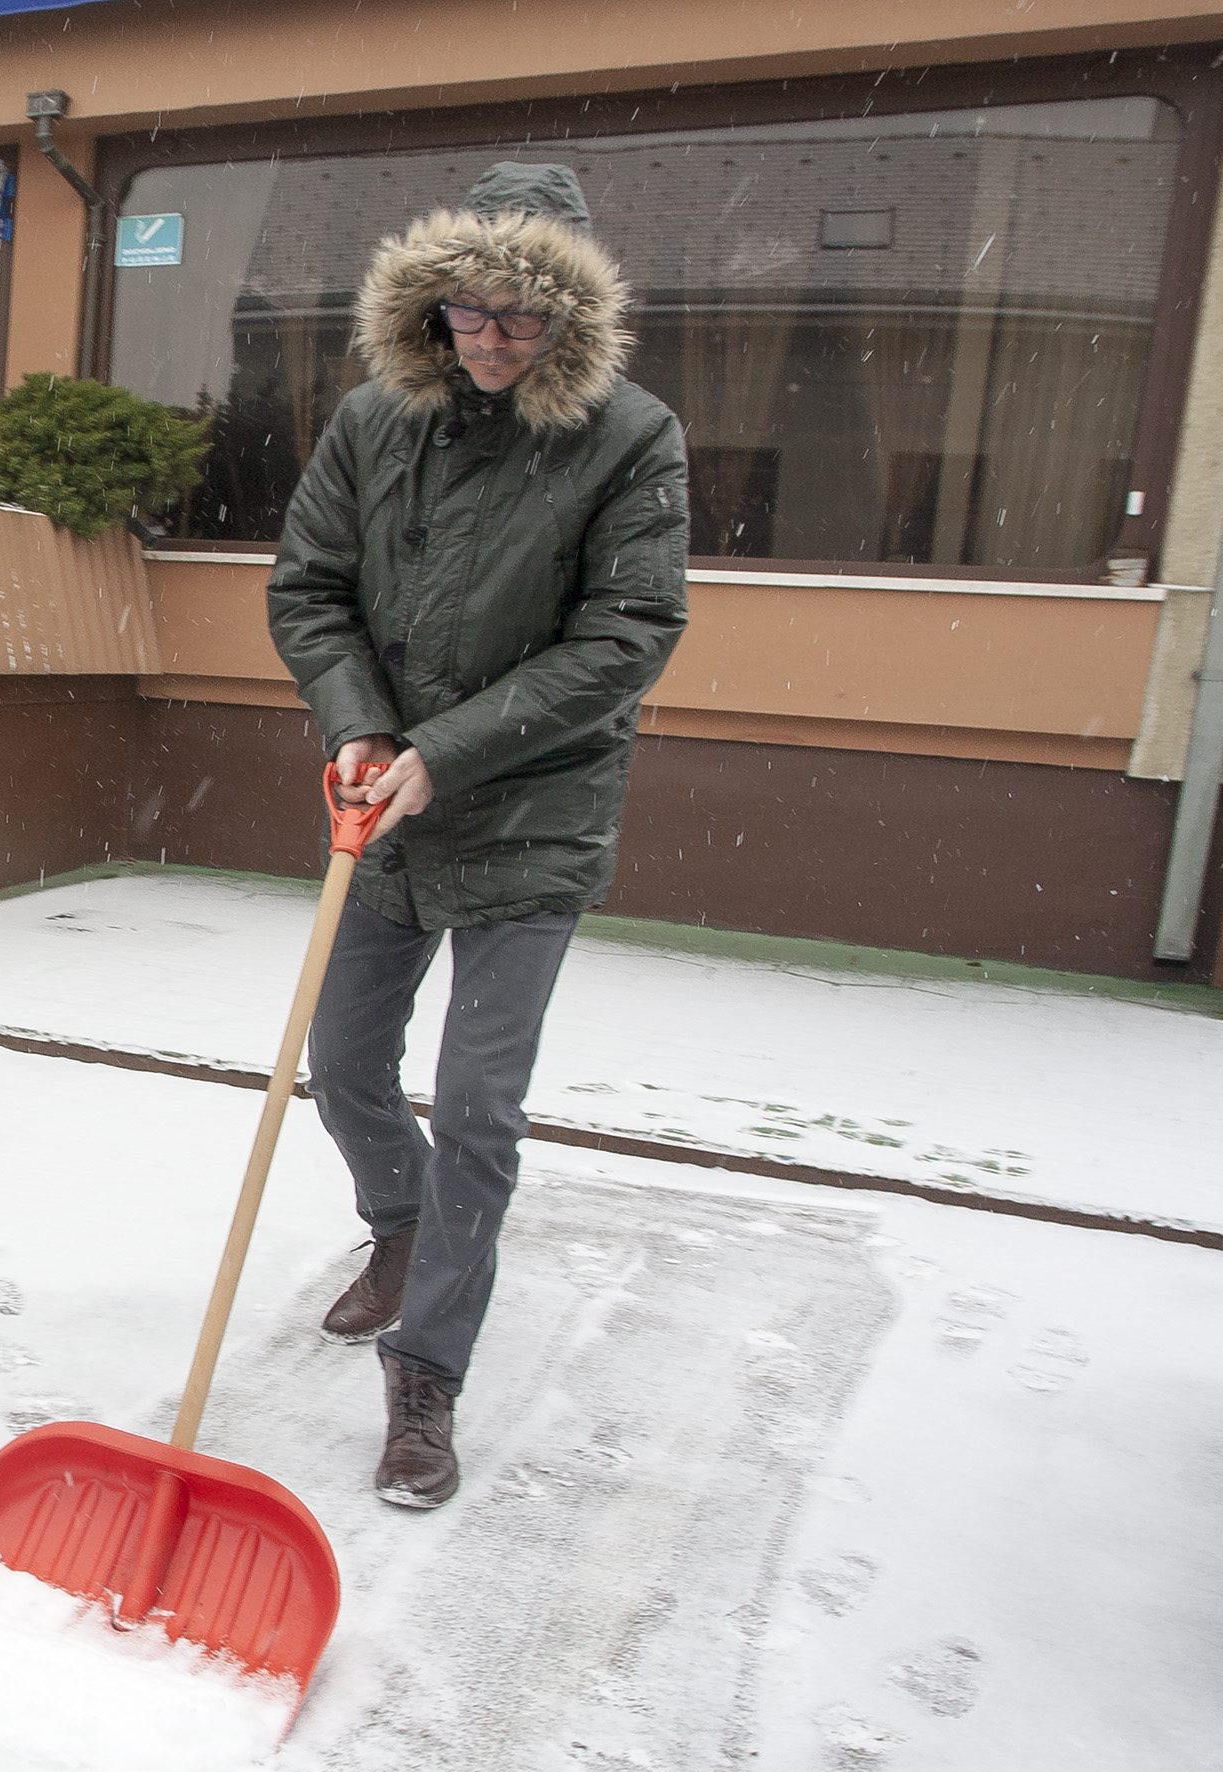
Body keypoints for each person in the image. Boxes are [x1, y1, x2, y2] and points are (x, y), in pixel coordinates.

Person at [264, 163, 690, 1508]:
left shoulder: (631, 437)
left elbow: (627, 633)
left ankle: (426, 1374)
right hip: (383, 805)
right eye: (471, 310)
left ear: (569, 312)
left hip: (534, 813)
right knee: (339, 1063)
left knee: (485, 1113)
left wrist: (451, 750)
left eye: (521, 314)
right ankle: (400, 1226)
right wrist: (359, 724)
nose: (494, 335)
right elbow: (311, 587)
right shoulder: (372, 423)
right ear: (433, 305)